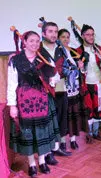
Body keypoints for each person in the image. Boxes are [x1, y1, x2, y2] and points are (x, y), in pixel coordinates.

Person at [7, 31, 58, 176]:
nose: (35, 44)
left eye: (37, 41)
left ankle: (42, 161)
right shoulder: (15, 60)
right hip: (25, 102)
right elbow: (12, 84)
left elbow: (55, 76)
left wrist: (52, 80)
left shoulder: (44, 58)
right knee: (28, 134)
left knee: (42, 133)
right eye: (31, 41)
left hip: (42, 100)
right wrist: (12, 105)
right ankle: (32, 164)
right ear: (24, 42)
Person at [39, 22, 72, 165]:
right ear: (43, 34)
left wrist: (67, 71)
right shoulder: (38, 50)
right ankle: (48, 153)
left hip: (61, 88)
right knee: (49, 123)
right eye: (50, 31)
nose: (53, 34)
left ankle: (57, 147)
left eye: (55, 31)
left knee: (61, 119)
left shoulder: (61, 48)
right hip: (46, 91)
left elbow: (68, 66)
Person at [76, 24, 101, 143]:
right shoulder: (78, 51)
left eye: (92, 34)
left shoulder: (100, 49)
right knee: (88, 109)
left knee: (99, 107)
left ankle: (96, 132)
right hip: (86, 83)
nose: (91, 37)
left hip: (98, 82)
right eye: (88, 34)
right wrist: (81, 68)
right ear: (82, 36)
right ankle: (88, 134)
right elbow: (76, 71)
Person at [58, 29, 88, 149]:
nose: (66, 39)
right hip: (63, 89)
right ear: (58, 39)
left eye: (67, 37)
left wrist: (81, 66)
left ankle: (73, 139)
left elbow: (81, 70)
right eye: (63, 37)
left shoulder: (73, 51)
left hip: (75, 89)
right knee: (64, 116)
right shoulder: (58, 53)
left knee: (74, 115)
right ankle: (62, 141)